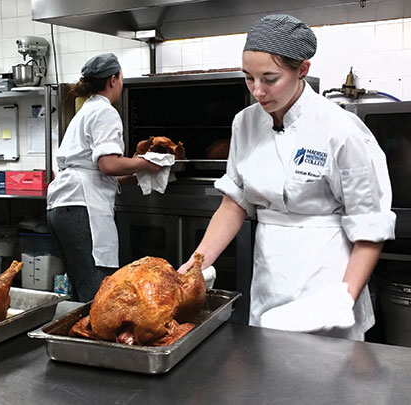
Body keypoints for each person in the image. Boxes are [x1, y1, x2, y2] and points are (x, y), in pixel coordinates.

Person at [178, 14, 396, 340]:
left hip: (329, 279)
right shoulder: (245, 124)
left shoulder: (340, 130)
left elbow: (369, 226)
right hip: (270, 277)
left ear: (302, 70)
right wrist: (193, 267)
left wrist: (341, 299)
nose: (257, 91)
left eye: (270, 78)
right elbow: (234, 203)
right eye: (249, 78)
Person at [47, 53, 161, 302]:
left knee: (82, 287)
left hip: (65, 204)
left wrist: (135, 175)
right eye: (121, 77)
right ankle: (93, 339)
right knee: (96, 291)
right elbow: (108, 165)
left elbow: (97, 171)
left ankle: (80, 338)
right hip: (80, 207)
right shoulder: (104, 111)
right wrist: (148, 163)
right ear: (113, 79)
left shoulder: (86, 110)